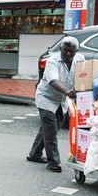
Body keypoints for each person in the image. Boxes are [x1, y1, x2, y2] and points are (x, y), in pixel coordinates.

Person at [28, 36, 84, 173]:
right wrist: (67, 91)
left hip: (62, 99)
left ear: (76, 51)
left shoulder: (80, 59)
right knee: (51, 130)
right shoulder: (53, 61)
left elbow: (84, 75)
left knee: (51, 127)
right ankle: (53, 162)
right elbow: (53, 81)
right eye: (65, 50)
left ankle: (35, 154)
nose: (68, 54)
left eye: (71, 51)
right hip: (46, 98)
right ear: (61, 49)